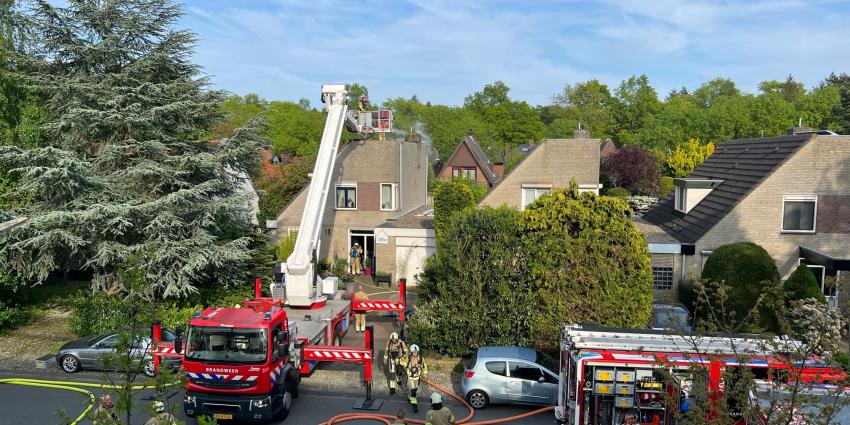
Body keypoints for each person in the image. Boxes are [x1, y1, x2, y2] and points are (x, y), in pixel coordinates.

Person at [400, 344, 427, 412]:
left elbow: (424, 367)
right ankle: (415, 406)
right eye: (413, 352)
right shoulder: (408, 358)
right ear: (411, 352)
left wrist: (425, 374)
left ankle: (409, 398)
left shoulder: (421, 358)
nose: (415, 353)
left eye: (416, 351)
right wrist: (403, 358)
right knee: (413, 392)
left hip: (417, 378)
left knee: (414, 390)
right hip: (410, 378)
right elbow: (402, 363)